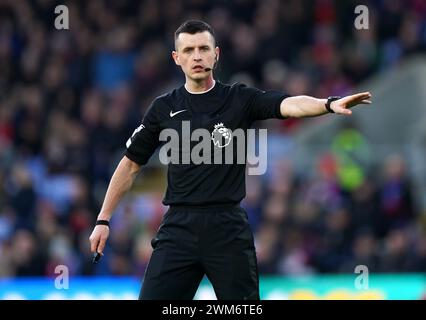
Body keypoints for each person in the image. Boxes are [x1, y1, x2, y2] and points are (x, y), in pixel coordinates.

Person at [89, 20, 372, 300]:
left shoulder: (239, 99)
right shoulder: (164, 108)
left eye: (203, 48)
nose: (197, 56)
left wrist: (328, 104)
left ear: (217, 53)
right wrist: (103, 219)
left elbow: (289, 104)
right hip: (178, 228)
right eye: (188, 50)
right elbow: (130, 164)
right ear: (176, 58)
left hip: (227, 227)